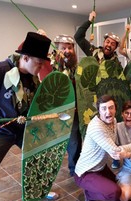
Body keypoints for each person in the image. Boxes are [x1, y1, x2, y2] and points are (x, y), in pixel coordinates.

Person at [0, 32, 51, 201]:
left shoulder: (33, 78)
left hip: (22, 129)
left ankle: (38, 191)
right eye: (39, 63)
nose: (42, 67)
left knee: (39, 158)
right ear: (25, 57)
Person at [74, 95, 131, 201]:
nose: (108, 112)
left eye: (111, 108)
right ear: (99, 111)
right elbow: (115, 151)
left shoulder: (113, 120)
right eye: (103, 109)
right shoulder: (96, 127)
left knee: (117, 185)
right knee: (114, 193)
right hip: (86, 172)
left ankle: (95, 187)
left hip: (100, 167)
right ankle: (89, 195)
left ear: (115, 109)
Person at [52, 34, 82, 177]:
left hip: (79, 109)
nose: (67, 51)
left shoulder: (76, 66)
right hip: (63, 111)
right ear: (57, 48)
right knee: (73, 140)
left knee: (78, 138)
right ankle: (74, 168)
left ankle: (78, 164)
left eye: (70, 48)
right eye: (63, 48)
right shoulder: (53, 66)